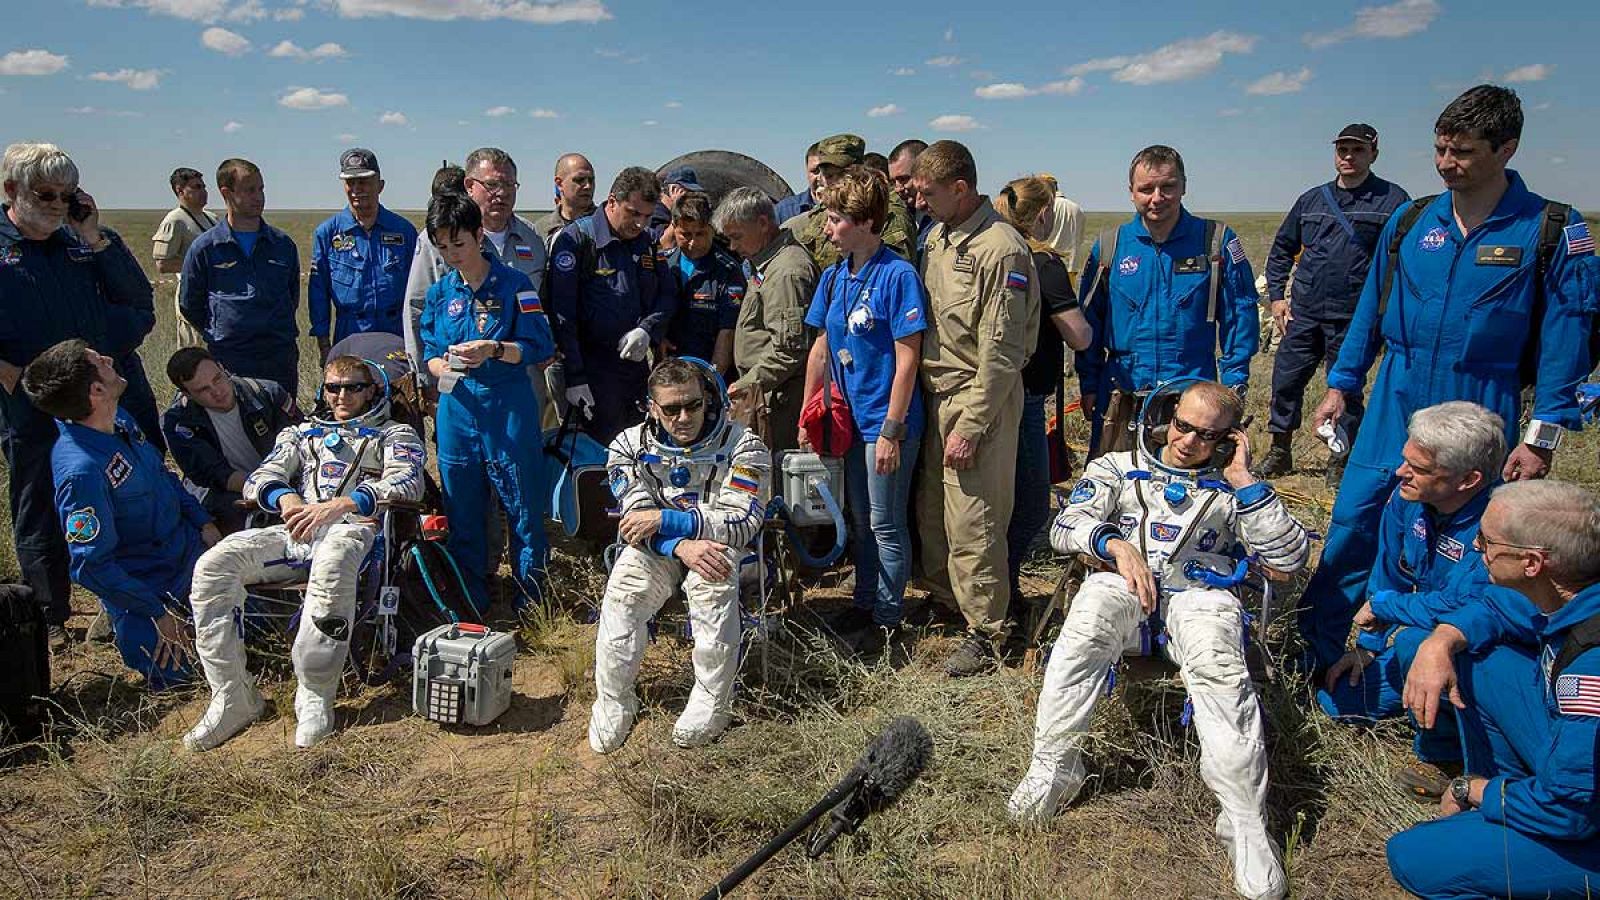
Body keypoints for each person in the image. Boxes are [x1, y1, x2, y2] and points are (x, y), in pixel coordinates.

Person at [1297, 84, 1598, 673]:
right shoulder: (1412, 222)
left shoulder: (1548, 229)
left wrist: (1542, 437)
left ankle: (1429, 654)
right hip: (1397, 394)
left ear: (1506, 148)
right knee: (1357, 515)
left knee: (1465, 542)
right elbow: (1371, 310)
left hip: (1481, 400)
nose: (1445, 163)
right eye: (1439, 149)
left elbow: (1569, 337)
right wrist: (1342, 383)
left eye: (1461, 151)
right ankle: (1318, 643)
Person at [1008, 381, 1310, 900]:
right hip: (1127, 587)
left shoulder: (1233, 489)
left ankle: (1244, 820)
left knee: (1220, 668)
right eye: (1183, 426)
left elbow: (1288, 560)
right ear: (1166, 416)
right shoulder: (1118, 468)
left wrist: (1243, 479)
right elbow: (1065, 527)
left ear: (1228, 440)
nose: (1189, 441)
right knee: (1089, 618)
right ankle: (1056, 765)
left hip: (1200, 598)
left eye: (1208, 435)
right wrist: (1114, 544)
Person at [185, 354, 427, 751]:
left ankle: (315, 692)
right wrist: (286, 499)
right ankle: (233, 696)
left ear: (373, 390)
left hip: (355, 533)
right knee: (215, 564)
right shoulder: (300, 434)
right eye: (334, 387)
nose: (342, 395)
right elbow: (262, 476)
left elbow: (407, 482)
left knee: (333, 558)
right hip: (298, 529)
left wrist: (344, 504)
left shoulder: (393, 434)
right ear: (323, 391)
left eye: (354, 387)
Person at [1386, 480, 1600, 898]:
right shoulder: (1571, 594)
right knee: (1481, 656)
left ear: (1532, 563)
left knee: (1415, 857)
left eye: (1485, 541)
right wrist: (1441, 640)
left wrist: (1477, 790)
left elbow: (1571, 811)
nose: (1476, 549)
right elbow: (1498, 609)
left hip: (1580, 815)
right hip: (1571, 774)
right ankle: (1512, 808)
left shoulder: (1591, 668)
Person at [1, 142, 159, 648]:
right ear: (11, 190)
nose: (56, 204)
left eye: (68, 196)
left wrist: (93, 237)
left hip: (104, 395)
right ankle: (48, 614)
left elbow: (138, 300)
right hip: (31, 401)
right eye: (45, 193)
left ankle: (132, 594)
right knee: (40, 498)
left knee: (132, 487)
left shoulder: (85, 242)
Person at [1315, 401, 1504, 796]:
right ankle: (1422, 704)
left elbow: (1464, 605)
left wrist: (1386, 610)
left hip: (1482, 649)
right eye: (1406, 460)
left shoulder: (1500, 525)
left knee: (1414, 642)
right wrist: (1367, 646)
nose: (1402, 472)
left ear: (1468, 480)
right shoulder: (1406, 501)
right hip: (1417, 630)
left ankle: (1448, 756)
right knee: (1340, 701)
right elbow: (1390, 573)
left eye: (1418, 468)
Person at [588, 357, 769, 753]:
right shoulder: (627, 448)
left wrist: (666, 520)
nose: (684, 417)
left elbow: (742, 521)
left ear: (708, 400)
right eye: (671, 409)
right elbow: (635, 522)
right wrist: (679, 544)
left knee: (712, 583)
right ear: (653, 408)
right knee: (624, 592)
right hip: (663, 548)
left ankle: (712, 700)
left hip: (718, 546)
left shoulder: (745, 447)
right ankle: (615, 700)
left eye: (693, 405)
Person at [911, 140, 1040, 676]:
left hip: (976, 397)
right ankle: (947, 602)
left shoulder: (1001, 249)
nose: (918, 202)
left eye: (927, 192)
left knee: (976, 520)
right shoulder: (938, 238)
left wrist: (973, 423)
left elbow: (1003, 351)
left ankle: (987, 631)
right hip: (936, 394)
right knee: (934, 513)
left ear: (960, 189)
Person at [23, 340, 218, 689]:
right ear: (97, 390)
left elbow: (164, 477)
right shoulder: (80, 470)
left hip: (189, 555)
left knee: (265, 628)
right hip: (149, 589)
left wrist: (204, 522)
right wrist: (157, 613)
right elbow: (90, 565)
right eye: (100, 361)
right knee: (188, 671)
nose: (110, 358)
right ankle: (124, 624)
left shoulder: (120, 419)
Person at [801, 166, 927, 652]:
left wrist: (893, 430)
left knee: (885, 521)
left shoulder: (898, 277)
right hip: (845, 421)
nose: (827, 228)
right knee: (858, 520)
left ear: (866, 222)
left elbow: (908, 356)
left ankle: (889, 618)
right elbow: (820, 347)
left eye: (835, 219)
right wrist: (809, 414)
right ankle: (864, 601)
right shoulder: (834, 278)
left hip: (884, 420)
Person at [1074, 145, 1260, 456]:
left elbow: (1240, 316)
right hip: (1122, 396)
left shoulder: (1215, 242)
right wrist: (1090, 384)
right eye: (1146, 189)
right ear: (1131, 192)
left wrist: (1233, 386)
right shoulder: (1109, 248)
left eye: (1168, 187)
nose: (1157, 197)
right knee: (1116, 489)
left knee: (1187, 494)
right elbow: (1089, 323)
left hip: (1191, 402)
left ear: (1184, 186)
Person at [420, 191, 557, 612]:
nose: (451, 255)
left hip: (507, 408)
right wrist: (442, 367)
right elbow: (429, 348)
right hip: (457, 411)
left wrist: (495, 349)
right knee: (462, 511)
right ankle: (470, 603)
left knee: (523, 511)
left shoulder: (516, 285)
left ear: (480, 235)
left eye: (458, 244)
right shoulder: (441, 292)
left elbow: (539, 345)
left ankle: (530, 603)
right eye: (442, 247)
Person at [1256, 124, 1410, 478]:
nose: (1348, 156)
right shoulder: (1312, 200)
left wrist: (1386, 315)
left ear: (1373, 153)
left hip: (1354, 317)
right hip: (1304, 313)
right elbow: (1282, 248)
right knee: (1285, 383)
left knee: (1345, 389)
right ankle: (1280, 451)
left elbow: (1402, 263)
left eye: (1357, 150)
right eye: (1342, 149)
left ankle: (1339, 459)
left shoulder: (1393, 201)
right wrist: (1278, 298)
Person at [992, 177, 1093, 630]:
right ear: (1046, 215)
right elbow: (1080, 335)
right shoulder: (1044, 265)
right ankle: (1007, 595)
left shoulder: (994, 253)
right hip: (1027, 396)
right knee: (1031, 505)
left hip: (988, 394)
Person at [547, 167, 677, 443]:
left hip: (634, 370)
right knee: (599, 459)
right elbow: (562, 314)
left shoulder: (647, 244)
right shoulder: (577, 241)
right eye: (633, 213)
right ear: (612, 202)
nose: (640, 223)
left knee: (639, 448)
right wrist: (575, 377)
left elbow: (667, 295)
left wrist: (647, 330)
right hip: (591, 371)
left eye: (647, 216)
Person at [404, 148, 548, 395]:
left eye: (509, 184)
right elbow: (416, 310)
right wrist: (425, 379)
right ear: (469, 186)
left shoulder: (531, 236)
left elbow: (541, 302)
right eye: (492, 185)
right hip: (462, 384)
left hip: (522, 380)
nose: (501, 193)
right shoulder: (436, 240)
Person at [180, 158, 302, 395]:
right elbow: (190, 304)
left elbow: (292, 295)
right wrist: (222, 329)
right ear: (226, 192)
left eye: (261, 189)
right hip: (231, 357)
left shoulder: (282, 245)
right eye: (249, 190)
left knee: (285, 425)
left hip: (278, 355)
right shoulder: (205, 248)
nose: (259, 197)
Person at [715, 187, 818, 457]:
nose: (734, 247)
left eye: (737, 237)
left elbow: (789, 348)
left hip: (779, 403)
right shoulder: (768, 265)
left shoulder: (787, 271)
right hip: (766, 396)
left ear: (762, 223)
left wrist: (747, 384)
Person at [161, 346, 302, 534]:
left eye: (218, 379)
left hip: (283, 476)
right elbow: (217, 475)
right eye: (203, 389)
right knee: (252, 524)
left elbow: (302, 444)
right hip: (226, 489)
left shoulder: (267, 393)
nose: (217, 392)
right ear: (187, 394)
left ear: (222, 367)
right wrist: (268, 491)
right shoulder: (179, 422)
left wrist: (280, 489)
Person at [307, 149, 419, 357]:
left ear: (381, 185)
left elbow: (419, 291)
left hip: (395, 334)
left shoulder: (404, 231)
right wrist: (324, 345)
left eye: (365, 181)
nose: (357, 189)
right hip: (349, 334)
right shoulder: (328, 234)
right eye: (351, 183)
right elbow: (318, 293)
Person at [783, 134, 915, 270]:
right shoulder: (821, 213)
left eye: (836, 175)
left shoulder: (885, 211)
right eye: (826, 175)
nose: (827, 182)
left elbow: (891, 274)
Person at [662, 191, 742, 376]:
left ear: (712, 229)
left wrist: (712, 380)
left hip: (708, 369)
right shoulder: (663, 266)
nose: (693, 242)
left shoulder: (728, 272)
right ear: (674, 227)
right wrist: (659, 338)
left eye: (700, 234)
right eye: (685, 234)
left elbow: (727, 333)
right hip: (669, 370)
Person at [152, 166, 217, 348]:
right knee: (195, 351)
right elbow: (162, 264)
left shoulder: (211, 218)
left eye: (203, 187)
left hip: (215, 293)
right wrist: (199, 264)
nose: (203, 192)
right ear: (180, 190)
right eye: (196, 187)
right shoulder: (174, 220)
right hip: (193, 294)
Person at [533, 152, 597, 248]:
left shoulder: (604, 225)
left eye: (591, 180)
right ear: (559, 184)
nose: (588, 186)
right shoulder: (540, 230)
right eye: (580, 179)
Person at [886, 139, 933, 253]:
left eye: (904, 179)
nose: (898, 189)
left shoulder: (945, 220)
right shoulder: (899, 214)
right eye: (893, 182)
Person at [1036, 172, 1085, 277]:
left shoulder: (1046, 207)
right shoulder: (1077, 209)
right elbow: (1080, 240)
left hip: (1048, 264)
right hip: (1071, 266)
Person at [650, 165, 704, 244]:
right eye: (688, 192)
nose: (691, 197)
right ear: (673, 190)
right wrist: (678, 210)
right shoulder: (655, 211)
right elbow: (663, 242)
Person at [773, 142, 821, 224]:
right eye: (815, 171)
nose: (821, 177)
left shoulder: (847, 211)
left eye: (828, 172)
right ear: (807, 172)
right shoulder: (784, 211)